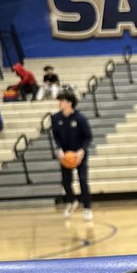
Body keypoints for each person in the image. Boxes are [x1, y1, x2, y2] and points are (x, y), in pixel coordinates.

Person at [52, 90, 93, 220]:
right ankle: (72, 201)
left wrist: (82, 151)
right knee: (65, 182)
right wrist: (59, 149)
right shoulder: (56, 118)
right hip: (65, 155)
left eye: (62, 101)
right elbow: (56, 137)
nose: (60, 103)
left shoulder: (80, 118)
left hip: (79, 154)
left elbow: (88, 137)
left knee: (82, 180)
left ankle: (87, 208)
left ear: (69, 103)